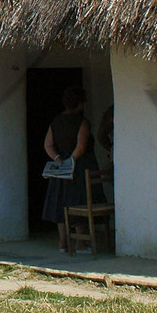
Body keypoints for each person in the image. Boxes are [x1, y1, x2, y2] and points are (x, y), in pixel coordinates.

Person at [42, 84, 101, 253]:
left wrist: (58, 159)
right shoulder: (82, 122)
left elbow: (48, 145)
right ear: (80, 103)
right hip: (79, 167)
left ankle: (63, 242)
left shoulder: (55, 121)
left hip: (60, 169)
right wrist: (71, 161)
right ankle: (80, 243)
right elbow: (81, 146)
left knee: (60, 203)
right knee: (79, 202)